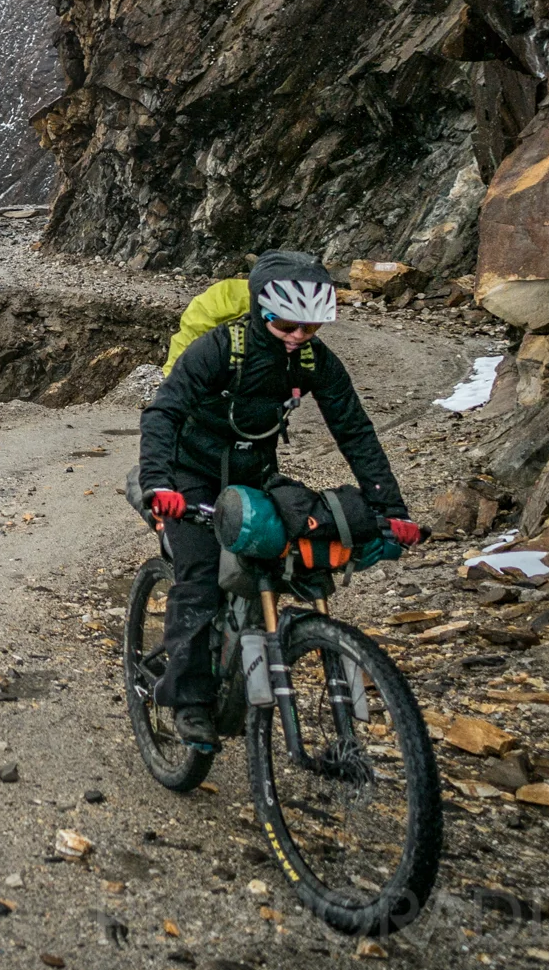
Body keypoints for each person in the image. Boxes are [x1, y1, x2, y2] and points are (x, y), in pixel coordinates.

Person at [136, 250, 419, 746]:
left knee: (296, 554)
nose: (297, 336)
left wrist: (390, 510)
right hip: (189, 473)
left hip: (255, 475)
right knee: (200, 577)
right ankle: (189, 701)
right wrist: (160, 484)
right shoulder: (218, 349)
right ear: (259, 309)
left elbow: (354, 431)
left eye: (310, 327)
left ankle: (250, 648)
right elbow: (164, 412)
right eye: (286, 324)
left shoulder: (313, 360)